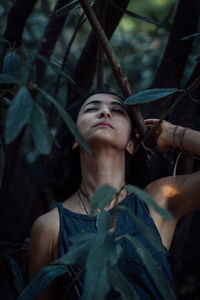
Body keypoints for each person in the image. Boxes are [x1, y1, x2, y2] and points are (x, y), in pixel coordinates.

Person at [29, 91, 200, 300]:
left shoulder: (157, 201)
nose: (104, 112)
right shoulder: (51, 226)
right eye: (92, 108)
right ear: (75, 138)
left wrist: (175, 134)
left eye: (117, 111)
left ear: (130, 144)